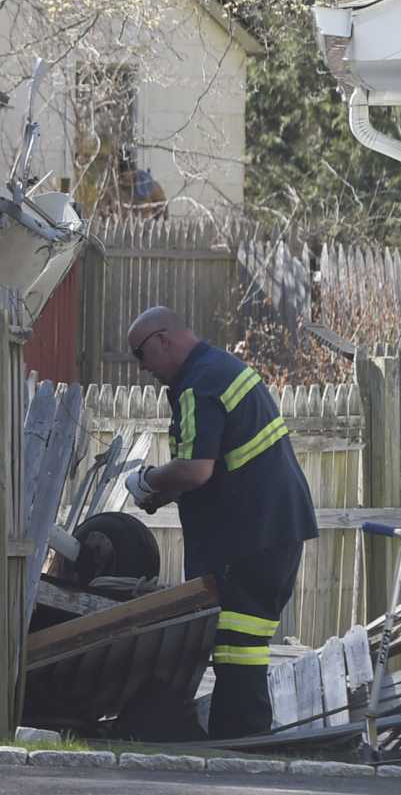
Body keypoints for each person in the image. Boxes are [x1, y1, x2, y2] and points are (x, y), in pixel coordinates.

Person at [123, 305, 318, 738]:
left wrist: (147, 479)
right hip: (269, 530)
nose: (142, 369)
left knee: (239, 644)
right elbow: (218, 463)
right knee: (237, 644)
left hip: (252, 536)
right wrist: (163, 494)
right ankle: (237, 742)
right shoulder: (219, 369)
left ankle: (240, 746)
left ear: (162, 339)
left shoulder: (200, 383)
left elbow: (196, 470)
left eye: (141, 354)